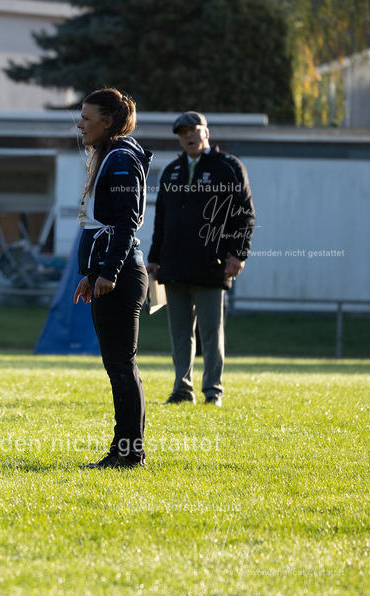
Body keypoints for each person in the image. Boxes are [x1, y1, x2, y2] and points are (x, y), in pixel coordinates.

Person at [148, 111, 255, 407]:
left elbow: (244, 214)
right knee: (180, 333)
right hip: (173, 268)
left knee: (210, 331)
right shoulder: (171, 171)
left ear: (206, 132)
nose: (188, 136)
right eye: (183, 132)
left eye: (193, 130)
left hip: (213, 266)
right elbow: (162, 220)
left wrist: (239, 253)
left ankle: (213, 392)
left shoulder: (228, 167)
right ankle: (182, 390)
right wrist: (154, 259)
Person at [72, 87, 152, 470]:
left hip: (121, 276)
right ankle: (127, 450)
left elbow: (126, 223)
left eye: (87, 118)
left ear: (107, 122)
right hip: (109, 274)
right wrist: (91, 274)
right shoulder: (109, 155)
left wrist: (109, 272)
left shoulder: (120, 159)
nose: (80, 124)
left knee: (121, 365)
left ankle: (128, 453)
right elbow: (101, 225)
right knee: (119, 365)